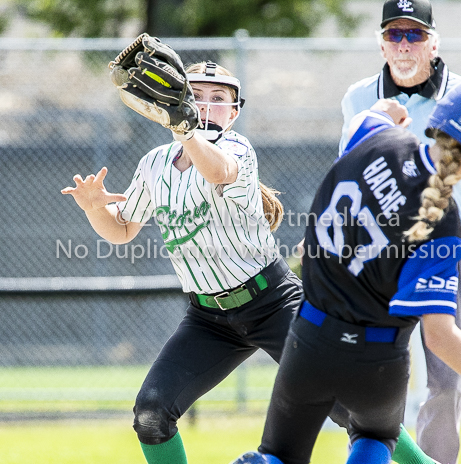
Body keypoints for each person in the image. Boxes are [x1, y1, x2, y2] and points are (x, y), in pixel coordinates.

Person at [230, 78, 461, 464]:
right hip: (377, 360)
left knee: (277, 454)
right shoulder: (443, 224)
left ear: (439, 118)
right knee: (375, 434)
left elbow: (368, 117)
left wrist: (388, 112)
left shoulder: (378, 138)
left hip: (308, 339)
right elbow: (440, 337)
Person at [62, 61, 305, 464]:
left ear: (234, 112)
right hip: (208, 319)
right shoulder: (155, 163)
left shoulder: (237, 148)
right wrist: (92, 209)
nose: (206, 106)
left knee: (348, 404)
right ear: (172, 102)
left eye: (218, 99)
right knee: (151, 415)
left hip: (273, 303)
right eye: (195, 96)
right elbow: (123, 230)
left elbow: (218, 170)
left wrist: (186, 129)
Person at [339, 2, 461, 462]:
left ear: (434, 43)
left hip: (453, 242)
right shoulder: (358, 97)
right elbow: (352, 170)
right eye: (395, 34)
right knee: (373, 369)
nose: (404, 44)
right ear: (382, 43)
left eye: (415, 35)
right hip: (386, 248)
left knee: (445, 375)